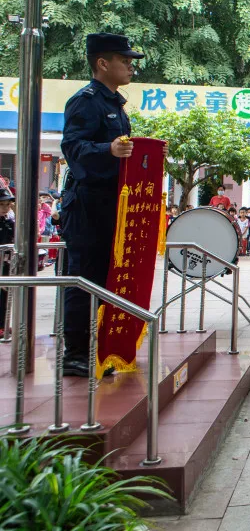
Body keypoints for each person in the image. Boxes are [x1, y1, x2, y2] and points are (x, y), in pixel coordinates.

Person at [59, 33, 144, 377]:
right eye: (125, 61)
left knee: (106, 279)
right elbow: (73, 148)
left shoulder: (114, 105)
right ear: (102, 64)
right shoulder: (85, 101)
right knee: (84, 278)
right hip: (86, 206)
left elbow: (122, 153)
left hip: (110, 205)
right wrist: (106, 150)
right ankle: (75, 353)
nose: (130, 67)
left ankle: (98, 348)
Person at [0, 188, 13, 336]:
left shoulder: (9, 222)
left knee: (5, 297)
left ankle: (3, 324)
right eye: (2, 205)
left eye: (7, 205)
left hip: (6, 265)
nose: (5, 208)